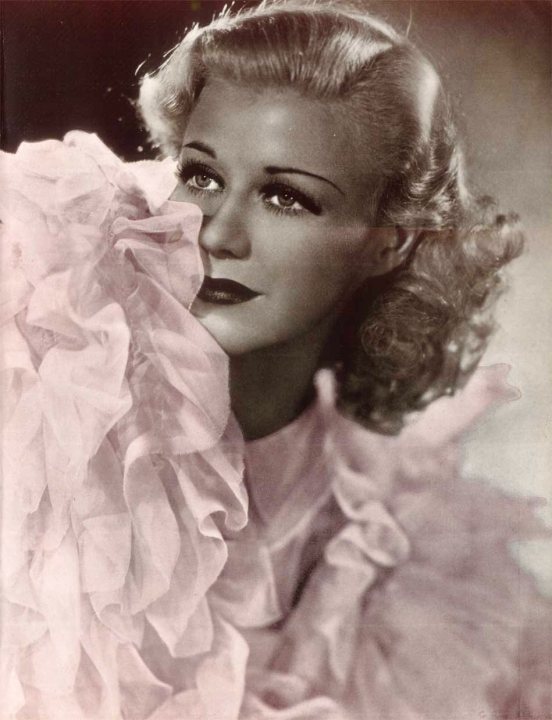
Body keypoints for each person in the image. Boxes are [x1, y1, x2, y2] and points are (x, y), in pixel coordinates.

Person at [1, 1, 550, 718]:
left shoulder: (417, 556)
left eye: (286, 197)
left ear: (390, 240)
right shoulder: (46, 451)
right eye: (200, 177)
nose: (217, 233)